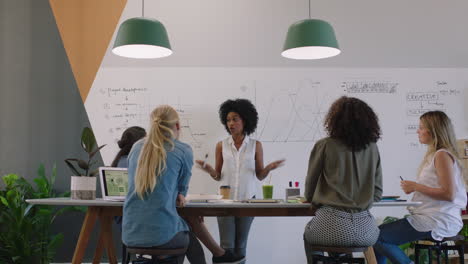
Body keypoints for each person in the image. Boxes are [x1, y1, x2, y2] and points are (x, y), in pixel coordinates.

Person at [122, 105, 244, 264]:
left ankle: (219, 254)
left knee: (182, 225)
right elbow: (181, 194)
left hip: (130, 235)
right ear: (178, 126)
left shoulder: (137, 147)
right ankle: (219, 255)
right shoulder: (182, 149)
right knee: (185, 227)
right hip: (163, 237)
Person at [196, 98, 285, 262]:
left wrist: (269, 168)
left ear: (245, 120)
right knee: (226, 247)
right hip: (224, 202)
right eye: (228, 120)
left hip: (247, 201)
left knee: (241, 246)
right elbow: (218, 176)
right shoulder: (220, 145)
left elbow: (259, 175)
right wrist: (209, 169)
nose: (231, 123)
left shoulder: (255, 145)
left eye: (235, 119)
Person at [373, 110, 467, 264]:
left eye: (421, 127)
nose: (418, 131)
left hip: (438, 219)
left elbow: (449, 194)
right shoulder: (437, 155)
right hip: (432, 216)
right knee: (376, 235)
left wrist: (416, 186)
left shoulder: (441, 155)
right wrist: (415, 187)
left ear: (433, 130)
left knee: (376, 236)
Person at [303, 96, 383, 264]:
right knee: (342, 239)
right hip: (366, 230)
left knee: (309, 234)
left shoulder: (325, 145)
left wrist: (313, 200)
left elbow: (310, 186)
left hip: (331, 221)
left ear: (334, 120)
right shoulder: (372, 147)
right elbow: (377, 191)